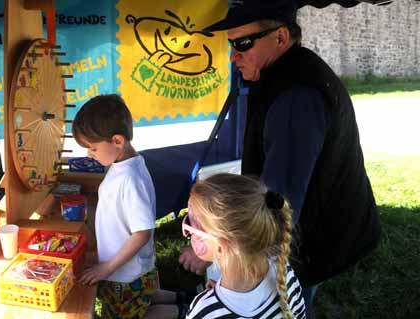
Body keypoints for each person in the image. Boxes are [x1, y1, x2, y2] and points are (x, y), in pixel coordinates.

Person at [180, 0, 382, 311]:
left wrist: (214, 251)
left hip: (322, 234)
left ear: (280, 37)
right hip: (321, 220)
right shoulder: (288, 71)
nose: (233, 55)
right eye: (231, 44)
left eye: (243, 44)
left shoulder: (295, 99)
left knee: (287, 304)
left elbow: (279, 198)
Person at [74, 94, 184, 318]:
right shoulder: (123, 162)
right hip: (131, 270)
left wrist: (107, 268)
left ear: (117, 141)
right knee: (145, 297)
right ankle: (183, 302)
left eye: (92, 148)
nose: (88, 154)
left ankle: (181, 313)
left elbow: (141, 233)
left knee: (132, 314)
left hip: (124, 273)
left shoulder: (130, 179)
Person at [183, 173, 305, 319]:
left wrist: (213, 301)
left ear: (221, 247)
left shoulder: (204, 312)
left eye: (190, 224)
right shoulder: (283, 269)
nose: (187, 231)